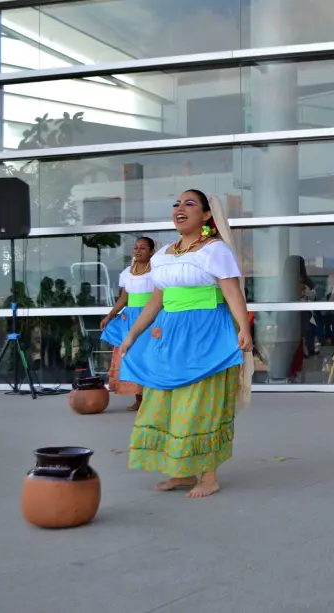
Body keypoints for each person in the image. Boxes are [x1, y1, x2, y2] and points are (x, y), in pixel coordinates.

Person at [118, 189, 254, 499]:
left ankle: (209, 478)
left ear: (207, 216)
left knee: (200, 404)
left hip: (206, 332)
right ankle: (181, 472)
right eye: (177, 204)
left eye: (189, 204)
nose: (180, 208)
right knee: (166, 402)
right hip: (170, 334)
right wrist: (132, 334)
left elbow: (233, 293)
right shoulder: (163, 254)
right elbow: (157, 300)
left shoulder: (215, 250)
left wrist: (244, 329)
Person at [100, 237, 156, 411]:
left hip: (150, 317)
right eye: (136, 247)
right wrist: (109, 316)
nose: (138, 251)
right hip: (130, 319)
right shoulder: (126, 273)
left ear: (152, 252)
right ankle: (138, 398)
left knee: (150, 356)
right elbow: (124, 298)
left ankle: (153, 399)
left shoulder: (157, 271)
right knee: (130, 356)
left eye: (143, 248)